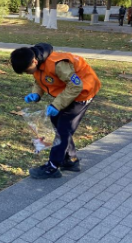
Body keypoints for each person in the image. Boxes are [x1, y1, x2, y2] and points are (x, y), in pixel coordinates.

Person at [10, 43, 102, 179]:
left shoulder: (58, 64)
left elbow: (76, 86)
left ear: (34, 61)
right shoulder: (36, 62)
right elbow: (39, 80)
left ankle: (52, 167)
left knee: (63, 130)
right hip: (67, 93)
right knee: (56, 122)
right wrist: (36, 93)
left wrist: (57, 105)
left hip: (83, 93)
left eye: (27, 70)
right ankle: (70, 161)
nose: (28, 73)